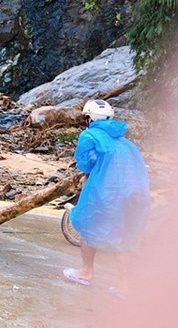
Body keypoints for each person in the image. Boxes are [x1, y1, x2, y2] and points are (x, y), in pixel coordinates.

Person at [62, 99, 150, 297]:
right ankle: (123, 285)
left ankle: (86, 272)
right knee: (124, 237)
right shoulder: (126, 143)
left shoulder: (90, 135)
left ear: (90, 118)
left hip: (106, 191)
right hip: (136, 193)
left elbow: (87, 162)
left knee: (88, 225)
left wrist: (86, 176)